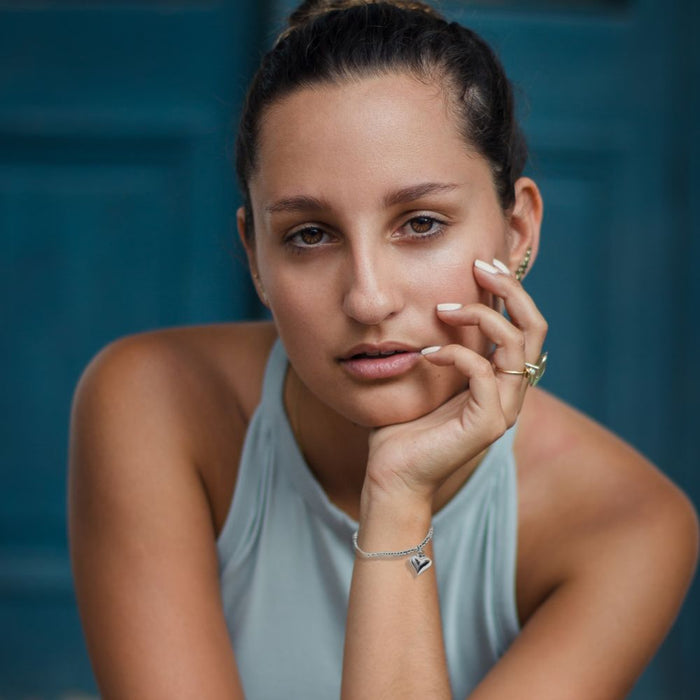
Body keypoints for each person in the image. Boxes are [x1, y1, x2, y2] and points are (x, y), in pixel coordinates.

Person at [68, 1, 699, 698]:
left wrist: (399, 498)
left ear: (517, 232)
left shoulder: (628, 525)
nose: (368, 300)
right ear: (255, 257)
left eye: (421, 223)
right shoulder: (153, 401)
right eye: (310, 234)